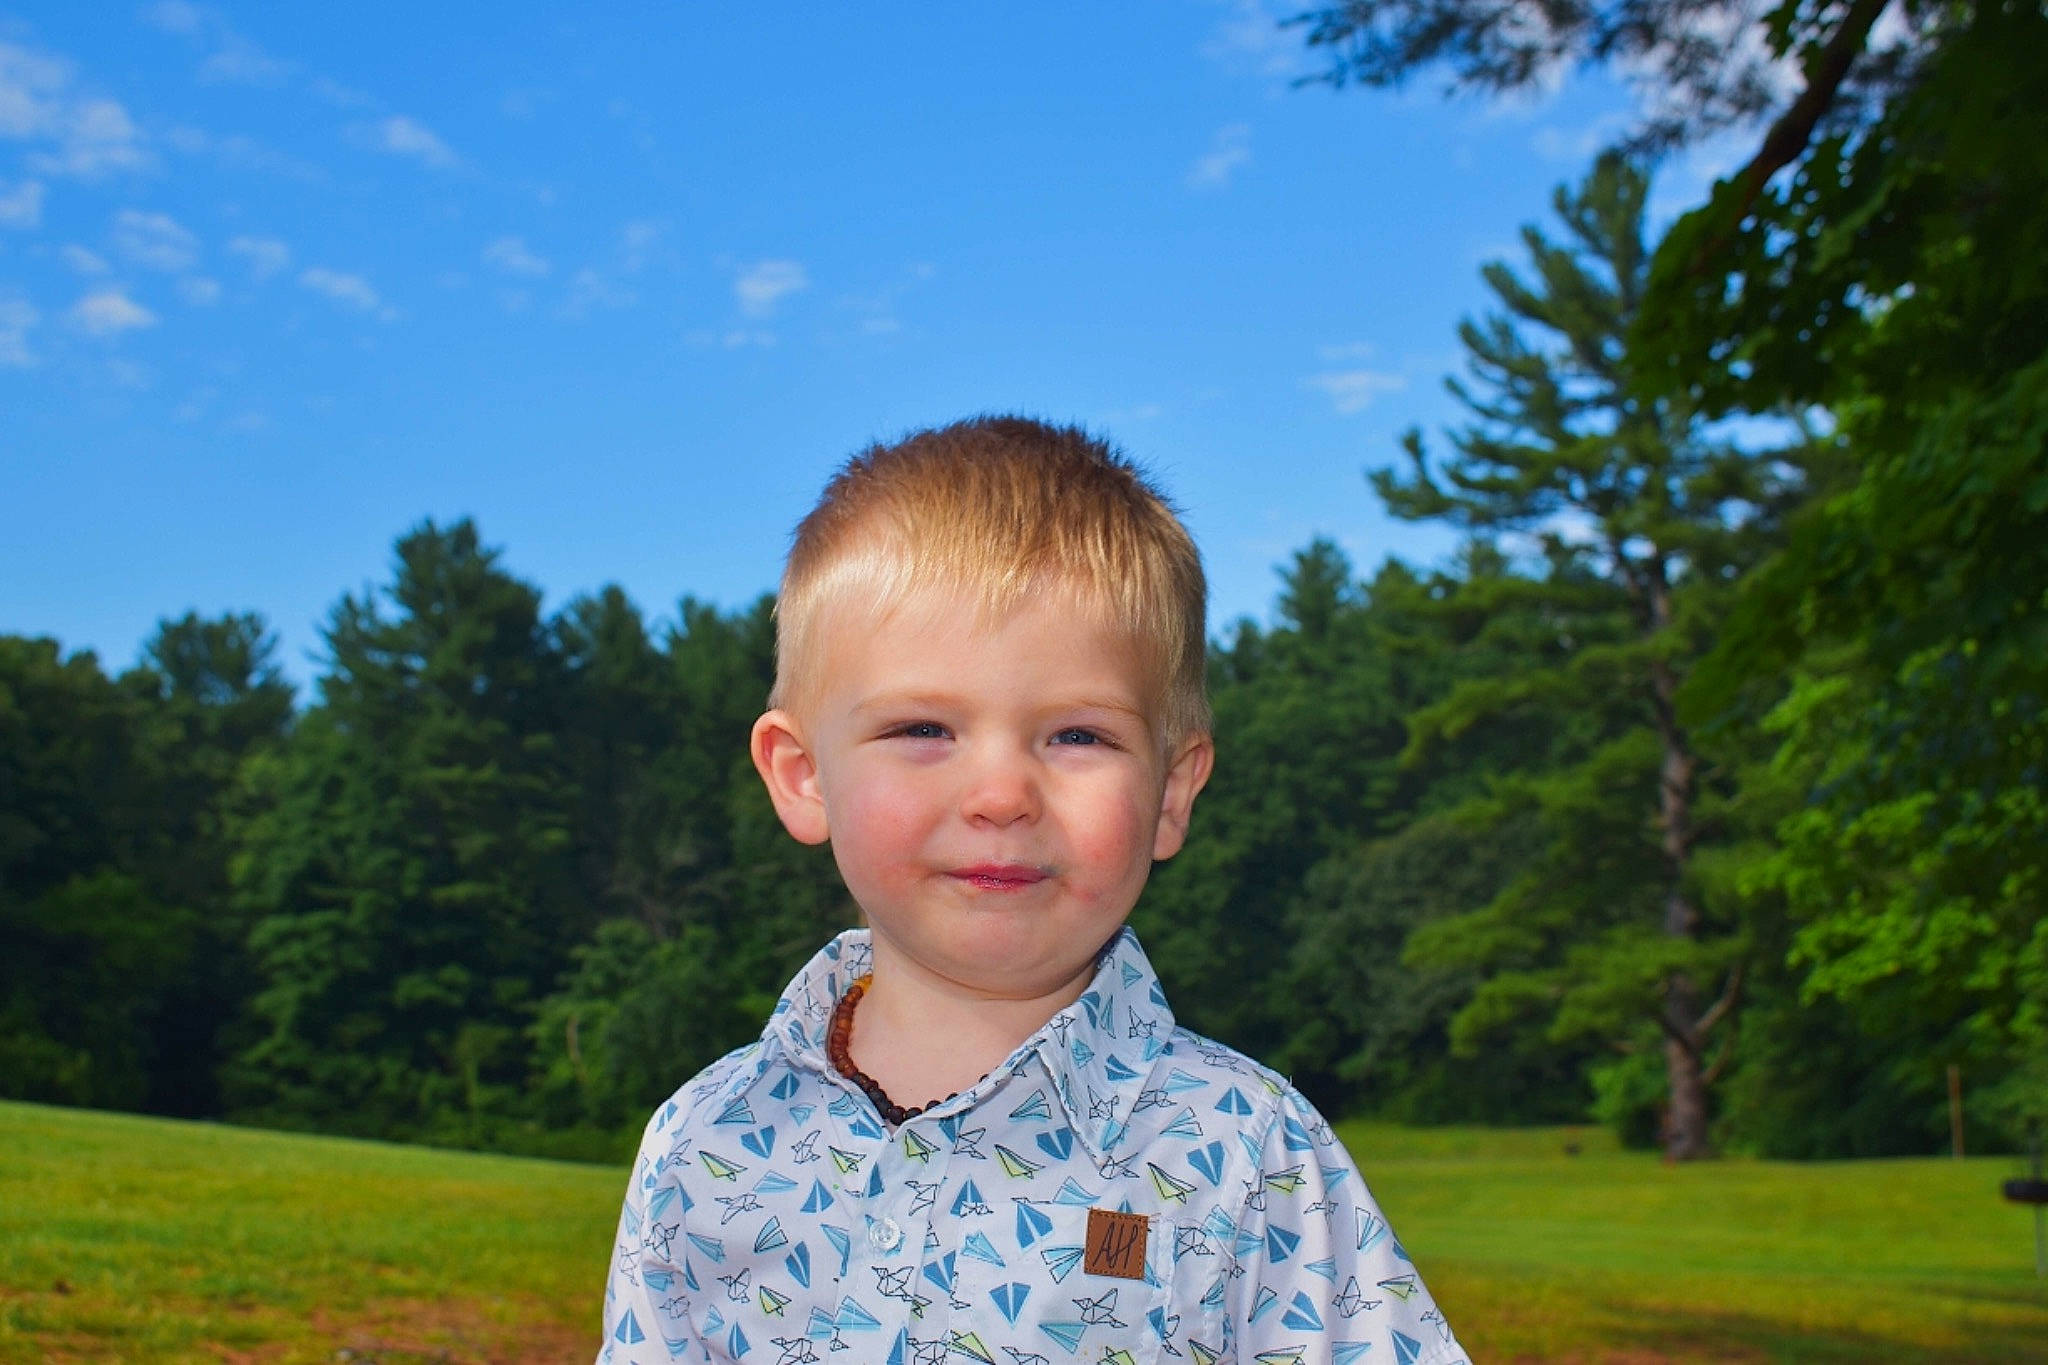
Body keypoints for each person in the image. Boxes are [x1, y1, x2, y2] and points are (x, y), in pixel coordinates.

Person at [596, 417, 1468, 1365]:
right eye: (924, 726)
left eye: (1078, 736)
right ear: (803, 775)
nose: (1003, 795)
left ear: (1172, 791)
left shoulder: (1247, 1155)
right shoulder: (707, 1143)